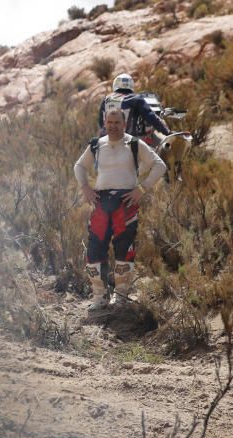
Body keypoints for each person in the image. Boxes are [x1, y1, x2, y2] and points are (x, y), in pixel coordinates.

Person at [75, 102, 167, 311]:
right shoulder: (97, 145)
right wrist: (85, 188)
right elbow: (79, 166)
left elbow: (160, 165)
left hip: (126, 204)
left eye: (117, 122)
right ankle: (99, 296)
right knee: (94, 249)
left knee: (124, 250)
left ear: (124, 124)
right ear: (105, 124)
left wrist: (142, 189)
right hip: (101, 202)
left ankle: (121, 296)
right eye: (110, 122)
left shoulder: (134, 144)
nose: (113, 126)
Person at [97, 73, 171, 149]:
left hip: (106, 141)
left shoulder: (106, 99)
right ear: (131, 85)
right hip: (128, 142)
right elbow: (151, 117)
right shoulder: (136, 99)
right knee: (155, 159)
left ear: (115, 84)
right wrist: (167, 132)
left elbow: (101, 122)